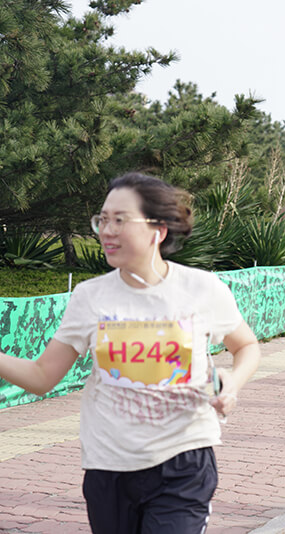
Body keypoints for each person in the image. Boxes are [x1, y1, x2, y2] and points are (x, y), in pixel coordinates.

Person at [0, 172, 261, 533]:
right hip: (109, 466)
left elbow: (246, 346)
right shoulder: (90, 297)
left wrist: (232, 381)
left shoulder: (201, 289)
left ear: (159, 230)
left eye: (119, 220)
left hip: (183, 461)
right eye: (102, 220)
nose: (106, 231)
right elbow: (43, 377)